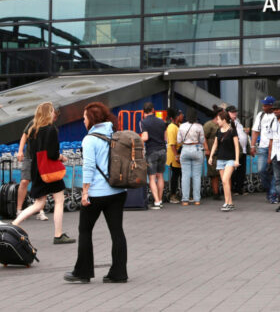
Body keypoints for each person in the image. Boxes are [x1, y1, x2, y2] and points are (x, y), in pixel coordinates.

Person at [64, 102, 127, 284]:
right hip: (117, 190)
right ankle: (119, 273)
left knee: (85, 231)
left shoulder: (90, 139)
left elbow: (89, 167)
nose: (83, 121)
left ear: (91, 119)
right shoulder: (115, 134)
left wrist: (85, 193)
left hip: (97, 194)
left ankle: (83, 272)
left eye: (84, 117)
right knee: (117, 231)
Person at [12, 102, 75, 245]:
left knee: (39, 202)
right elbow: (52, 154)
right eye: (52, 111)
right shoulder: (51, 129)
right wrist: (62, 157)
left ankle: (15, 223)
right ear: (48, 112)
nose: (54, 113)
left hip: (36, 168)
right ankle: (58, 235)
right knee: (59, 200)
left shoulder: (34, 129)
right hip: (49, 170)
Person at [15, 119, 48, 220]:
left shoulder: (49, 125)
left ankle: (40, 210)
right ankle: (19, 210)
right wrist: (20, 151)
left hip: (42, 157)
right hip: (29, 156)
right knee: (24, 181)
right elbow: (24, 135)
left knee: (41, 183)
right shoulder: (33, 122)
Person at [209, 109, 241, 211]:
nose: (217, 121)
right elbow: (215, 144)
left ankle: (227, 202)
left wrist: (236, 160)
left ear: (223, 120)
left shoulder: (232, 131)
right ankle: (230, 203)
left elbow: (236, 146)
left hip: (230, 160)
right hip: (220, 159)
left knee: (225, 180)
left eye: (218, 119)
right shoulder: (218, 131)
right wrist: (211, 156)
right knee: (224, 182)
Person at [138, 102, 167, 209]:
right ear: (153, 110)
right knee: (160, 176)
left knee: (152, 177)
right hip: (163, 150)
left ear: (143, 111)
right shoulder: (162, 122)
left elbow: (145, 137)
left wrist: (136, 139)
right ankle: (160, 200)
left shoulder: (143, 122)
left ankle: (156, 201)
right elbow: (166, 138)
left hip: (151, 152)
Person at [178, 109, 208, 206]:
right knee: (196, 175)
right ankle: (197, 199)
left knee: (185, 176)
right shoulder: (199, 127)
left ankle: (185, 200)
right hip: (196, 149)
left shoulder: (182, 126)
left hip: (185, 149)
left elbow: (178, 140)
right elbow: (202, 139)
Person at [251, 96, 277, 203]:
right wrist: (252, 146)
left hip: (276, 147)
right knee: (261, 170)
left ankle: (273, 194)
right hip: (262, 147)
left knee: (276, 172)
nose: (263, 107)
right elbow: (255, 131)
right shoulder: (260, 115)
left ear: (271, 106)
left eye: (265, 105)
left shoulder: (277, 115)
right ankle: (270, 189)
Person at [226, 106, 248, 195]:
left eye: (235, 112)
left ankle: (239, 188)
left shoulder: (238, 122)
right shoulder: (227, 123)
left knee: (241, 170)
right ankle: (233, 188)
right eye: (232, 112)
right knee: (233, 170)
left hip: (242, 149)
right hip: (233, 150)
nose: (235, 114)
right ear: (227, 113)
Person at [165, 108, 183, 204]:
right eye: (181, 115)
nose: (182, 116)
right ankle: (172, 195)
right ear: (177, 117)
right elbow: (172, 144)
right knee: (175, 176)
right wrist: (176, 156)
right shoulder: (171, 127)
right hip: (174, 156)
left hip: (180, 154)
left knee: (180, 175)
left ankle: (180, 194)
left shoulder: (179, 125)